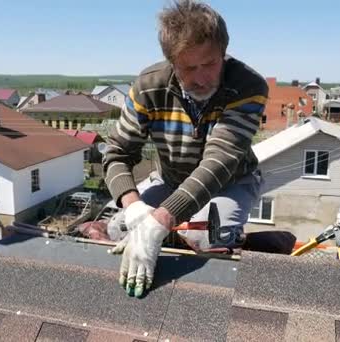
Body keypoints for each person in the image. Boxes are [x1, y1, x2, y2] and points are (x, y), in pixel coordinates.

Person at [103, 0, 269, 297]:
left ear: (224, 52)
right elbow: (117, 152)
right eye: (189, 68)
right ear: (171, 62)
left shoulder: (247, 86)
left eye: (210, 63)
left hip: (231, 182)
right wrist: (134, 207)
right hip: (171, 180)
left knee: (207, 239)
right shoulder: (147, 87)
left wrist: (159, 224)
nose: (202, 78)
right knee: (120, 229)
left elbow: (218, 163)